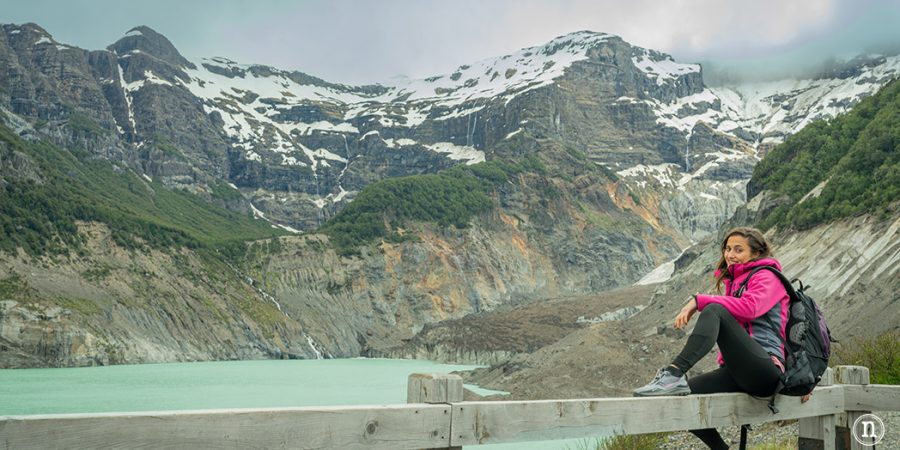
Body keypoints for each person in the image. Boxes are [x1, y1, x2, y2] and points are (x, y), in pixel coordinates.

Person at [632, 227, 794, 449]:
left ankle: (673, 373)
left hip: (765, 370)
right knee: (685, 399)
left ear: (756, 253)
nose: (730, 255)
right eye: (728, 249)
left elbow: (751, 308)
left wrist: (699, 300)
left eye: (738, 250)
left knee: (714, 309)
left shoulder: (768, 277)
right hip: (738, 372)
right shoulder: (736, 282)